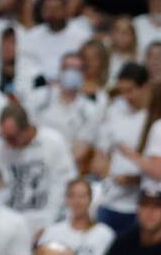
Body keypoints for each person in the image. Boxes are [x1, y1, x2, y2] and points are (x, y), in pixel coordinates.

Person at [0, 103, 76, 235]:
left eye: (11, 137)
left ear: (26, 129)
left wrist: (49, 224)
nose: (7, 141)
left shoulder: (52, 141)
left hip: (45, 218)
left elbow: (63, 185)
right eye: (3, 135)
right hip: (8, 222)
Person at [94, 62, 152, 235]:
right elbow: (100, 154)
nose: (126, 96)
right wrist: (106, 172)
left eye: (131, 90)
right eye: (122, 91)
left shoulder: (154, 118)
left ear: (145, 87)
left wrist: (134, 179)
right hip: (111, 201)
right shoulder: (113, 111)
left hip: (145, 204)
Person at [39, 178, 115, 255]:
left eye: (82, 196)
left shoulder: (105, 233)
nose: (77, 201)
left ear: (90, 199)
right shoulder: (52, 232)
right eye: (72, 196)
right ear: (66, 199)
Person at [106, 187, 161, 254]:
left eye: (157, 206)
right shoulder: (123, 243)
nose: (150, 211)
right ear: (137, 209)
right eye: (145, 205)